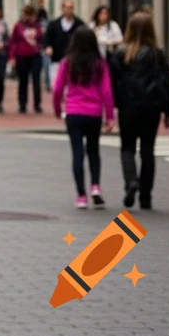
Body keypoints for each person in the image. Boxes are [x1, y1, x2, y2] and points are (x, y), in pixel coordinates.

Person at [108, 12, 169, 210]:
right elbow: (166, 83)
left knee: (127, 147)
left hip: (128, 108)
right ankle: (146, 196)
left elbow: (114, 83)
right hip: (151, 108)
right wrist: (168, 109)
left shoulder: (120, 53)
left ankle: (131, 182)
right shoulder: (157, 53)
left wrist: (116, 104)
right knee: (148, 150)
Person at [51, 27, 114, 209]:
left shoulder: (67, 62)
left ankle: (81, 195)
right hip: (93, 113)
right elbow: (106, 91)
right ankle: (95, 186)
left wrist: (57, 109)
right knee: (93, 151)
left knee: (77, 152)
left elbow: (57, 89)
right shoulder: (99, 64)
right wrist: (109, 116)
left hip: (73, 112)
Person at [8, 4, 45, 114]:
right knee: (23, 81)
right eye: (26, 14)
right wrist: (12, 57)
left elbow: (41, 39)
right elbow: (12, 42)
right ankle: (22, 104)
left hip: (35, 56)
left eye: (30, 15)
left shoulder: (37, 26)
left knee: (36, 80)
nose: (28, 17)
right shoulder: (18, 26)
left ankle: (37, 104)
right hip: (22, 56)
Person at [43, 0, 84, 88]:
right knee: (56, 85)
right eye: (66, 7)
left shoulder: (79, 24)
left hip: (73, 61)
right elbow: (46, 38)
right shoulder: (54, 24)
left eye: (71, 7)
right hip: (57, 59)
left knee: (71, 86)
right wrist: (48, 47)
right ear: (62, 8)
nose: (68, 10)